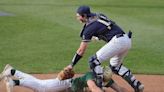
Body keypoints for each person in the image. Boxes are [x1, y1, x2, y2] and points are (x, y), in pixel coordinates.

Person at [65, 5, 144, 92]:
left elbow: (81, 50)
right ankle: (137, 84)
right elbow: (106, 27)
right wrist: (98, 37)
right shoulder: (99, 15)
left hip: (117, 41)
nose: (77, 18)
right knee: (115, 66)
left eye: (78, 16)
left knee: (93, 61)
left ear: (84, 16)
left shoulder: (89, 28)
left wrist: (71, 65)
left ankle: (99, 87)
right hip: (126, 40)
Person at [0, 64, 128, 92]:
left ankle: (12, 71)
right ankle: (13, 81)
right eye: (104, 78)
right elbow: (94, 88)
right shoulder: (91, 77)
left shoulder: (105, 80)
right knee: (41, 87)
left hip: (67, 89)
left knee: (39, 84)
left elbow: (120, 89)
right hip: (66, 85)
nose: (105, 80)